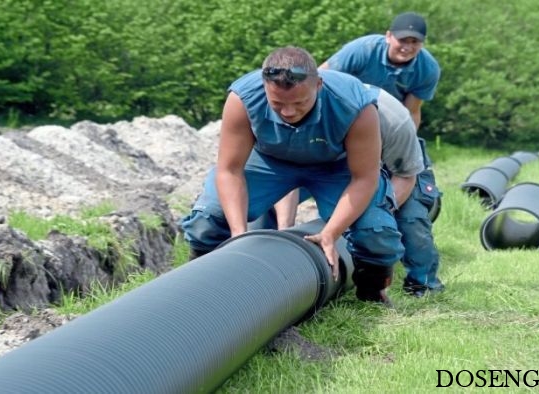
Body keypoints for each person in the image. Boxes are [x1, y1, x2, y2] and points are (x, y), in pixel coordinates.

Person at [180, 46, 404, 305]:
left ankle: (371, 292)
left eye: (299, 103)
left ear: (318, 85)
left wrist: (330, 233)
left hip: (334, 166)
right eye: (277, 104)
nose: (288, 112)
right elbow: (230, 169)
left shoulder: (354, 104)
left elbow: (365, 178)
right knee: (207, 219)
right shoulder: (243, 97)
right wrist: (238, 235)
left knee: (376, 232)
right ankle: (200, 287)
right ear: (265, 88)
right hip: (269, 161)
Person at [274, 12, 445, 297]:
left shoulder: (426, 70)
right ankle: (272, 259)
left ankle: (422, 283)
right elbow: (321, 79)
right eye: (403, 40)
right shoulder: (362, 51)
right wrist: (285, 228)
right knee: (272, 194)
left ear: (423, 44)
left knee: (412, 219)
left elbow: (413, 112)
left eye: (416, 42)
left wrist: (375, 210)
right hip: (344, 133)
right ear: (388, 35)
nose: (408, 46)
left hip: (394, 135)